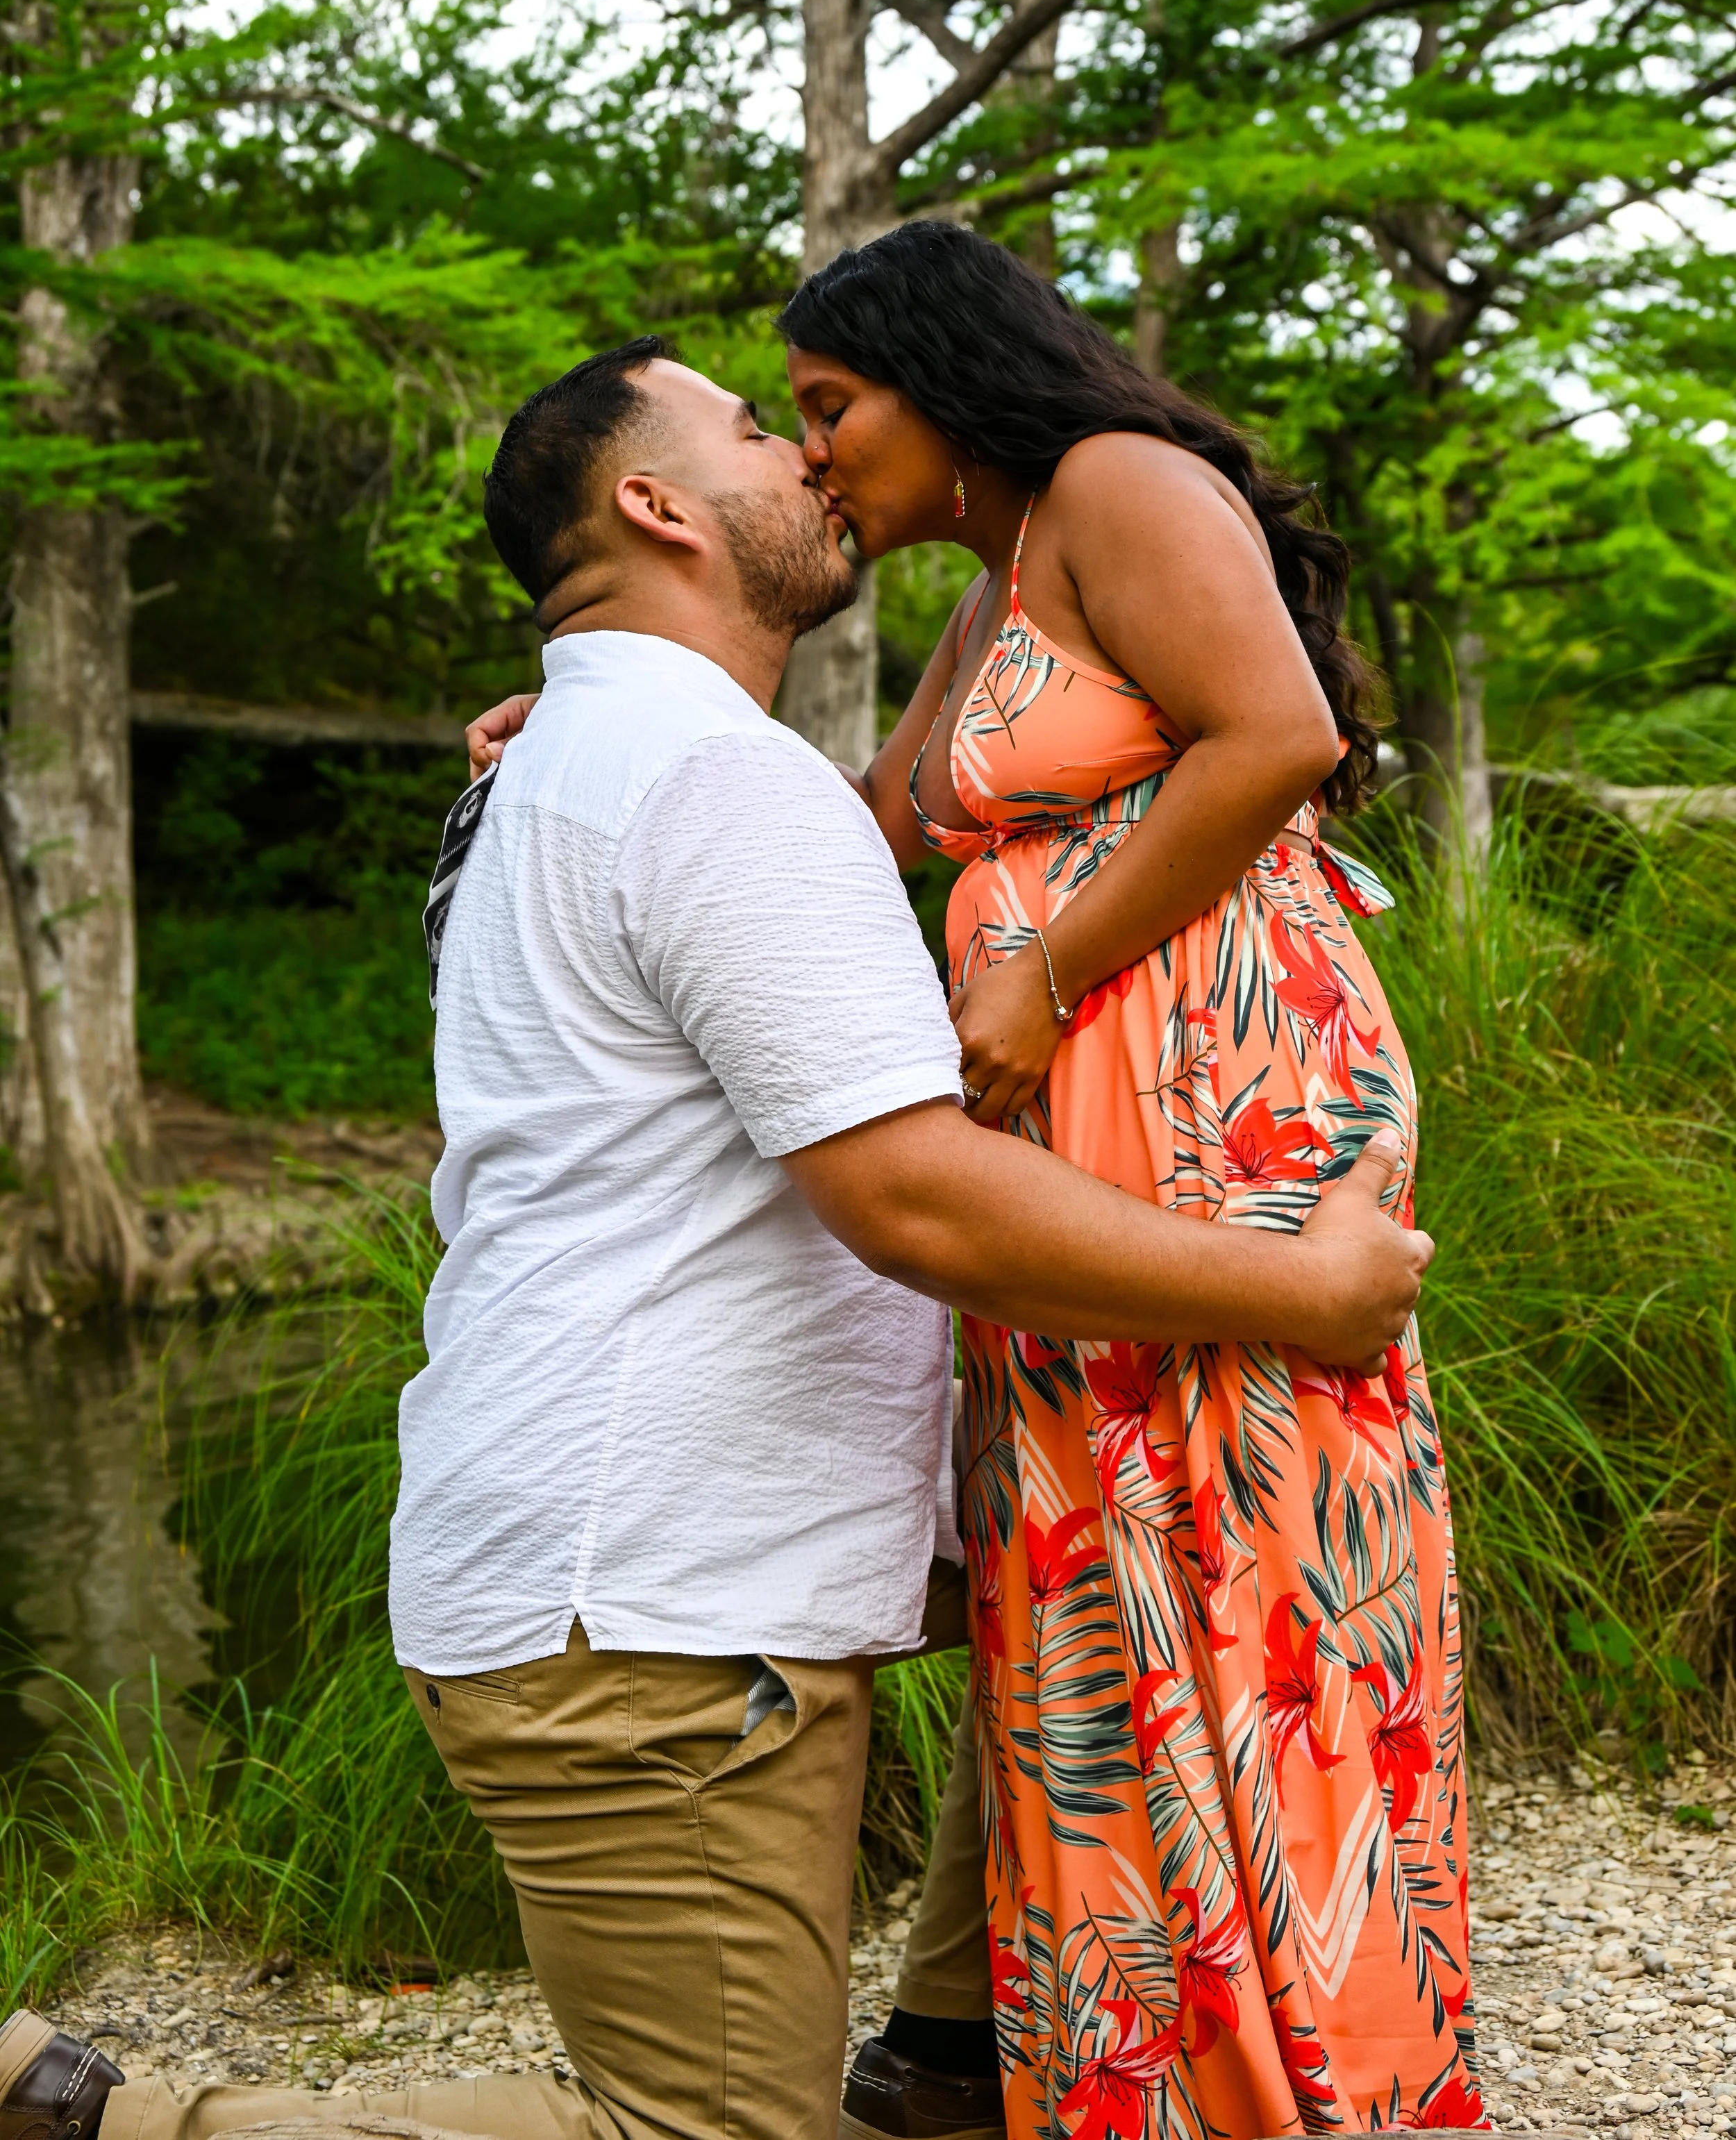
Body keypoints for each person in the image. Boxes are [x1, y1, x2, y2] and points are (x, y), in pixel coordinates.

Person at [0, 337, 1428, 2140]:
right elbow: (908, 1192)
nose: (808, 457)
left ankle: (940, 2056)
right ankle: (99, 2115)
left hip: (649, 1566)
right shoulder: (692, 778)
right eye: (761, 429)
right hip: (650, 1613)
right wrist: (1299, 1284)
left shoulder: (613, 761)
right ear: (656, 503)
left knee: (1060, 1654)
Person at [776, 222, 1483, 2139]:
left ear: (937, 371)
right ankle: (1151, 2081)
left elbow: (1279, 736)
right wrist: (607, 723)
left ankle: (1318, 2079)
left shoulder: (1118, 483)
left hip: (1214, 1085)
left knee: (1248, 1570)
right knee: (1095, 1574)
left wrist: (1048, 959)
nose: (818, 454)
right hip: (1067, 1119)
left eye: (831, 408)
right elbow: (859, 826)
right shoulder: (998, 571)